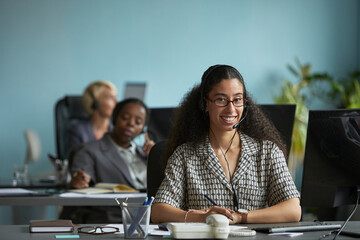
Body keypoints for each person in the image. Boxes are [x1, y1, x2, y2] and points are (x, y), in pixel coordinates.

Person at [151, 64, 301, 224]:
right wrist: (203, 217)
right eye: (221, 99)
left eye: (237, 100)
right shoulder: (185, 155)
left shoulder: (267, 152)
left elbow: (293, 209)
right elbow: (159, 211)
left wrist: (240, 217)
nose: (231, 109)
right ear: (205, 104)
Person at [66, 98, 155, 223]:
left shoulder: (147, 154)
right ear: (115, 118)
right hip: (112, 220)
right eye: (125, 117)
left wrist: (157, 158)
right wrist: (80, 179)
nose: (131, 124)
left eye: (138, 122)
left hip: (150, 220)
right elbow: (81, 176)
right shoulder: (89, 150)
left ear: (143, 129)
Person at [67, 80, 118, 156]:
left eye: (115, 98)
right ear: (95, 103)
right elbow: (75, 161)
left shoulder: (117, 129)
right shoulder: (78, 131)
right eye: (110, 98)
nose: (116, 102)